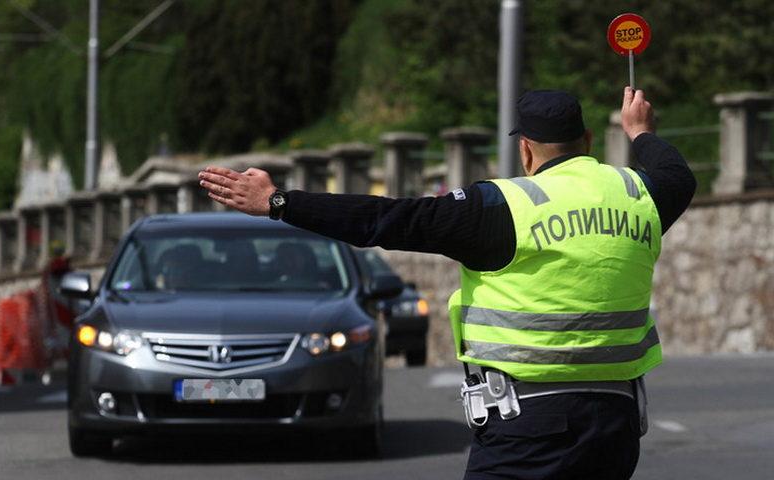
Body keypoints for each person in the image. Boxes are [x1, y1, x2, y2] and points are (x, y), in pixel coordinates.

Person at [198, 87, 696, 479]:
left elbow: (385, 219)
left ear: (525, 149)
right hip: (616, 424)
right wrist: (641, 133)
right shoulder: (639, 195)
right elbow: (678, 174)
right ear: (587, 142)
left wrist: (281, 202)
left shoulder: (501, 208)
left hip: (527, 430)